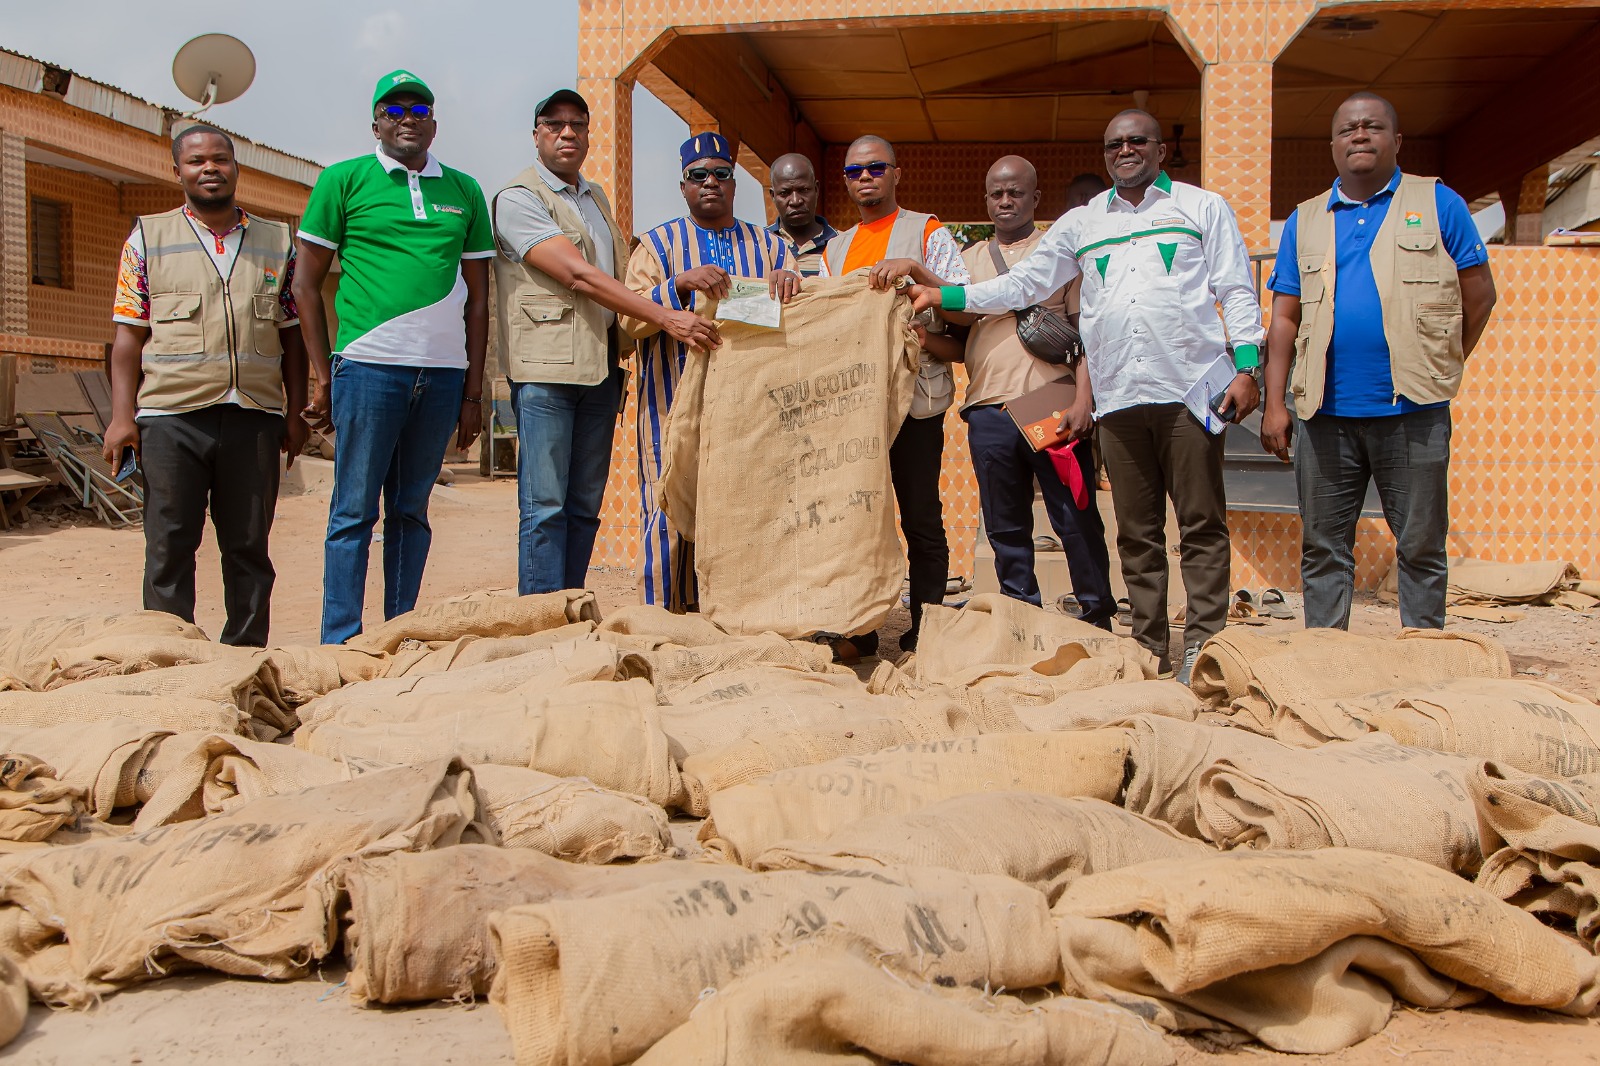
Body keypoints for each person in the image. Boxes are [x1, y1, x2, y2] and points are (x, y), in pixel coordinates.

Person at [912, 110, 1265, 682]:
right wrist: (944, 295)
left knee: (1200, 524)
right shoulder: (1083, 222)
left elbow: (1236, 289)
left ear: (1160, 150)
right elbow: (1024, 284)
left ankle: (1203, 645)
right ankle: (1148, 648)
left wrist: (1247, 365)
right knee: (1137, 533)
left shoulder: (1202, 207)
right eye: (1114, 143)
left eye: (1136, 140)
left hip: (1189, 390)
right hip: (1119, 398)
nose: (1125, 150)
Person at [1262, 92, 1497, 630]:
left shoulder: (1439, 204)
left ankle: (1423, 656)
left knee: (1420, 546)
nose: (1360, 135)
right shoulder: (1306, 218)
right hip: (1324, 414)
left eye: (1372, 126)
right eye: (1348, 129)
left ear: (1397, 140)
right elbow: (1284, 319)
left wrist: (1439, 360)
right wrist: (1275, 404)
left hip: (1413, 413)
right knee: (1324, 547)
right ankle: (1328, 658)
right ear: (1333, 145)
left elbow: (1479, 295)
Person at [292, 70, 495, 644]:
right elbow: (304, 286)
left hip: (443, 375)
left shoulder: (464, 190)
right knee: (354, 510)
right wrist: (324, 375)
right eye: (395, 109)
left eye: (420, 109)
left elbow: (480, 302)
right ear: (376, 122)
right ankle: (340, 641)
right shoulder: (342, 180)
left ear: (434, 123)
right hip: (368, 367)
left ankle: (400, 634)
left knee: (411, 510)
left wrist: (473, 394)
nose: (408, 118)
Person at [493, 89, 720, 596]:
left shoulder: (593, 197)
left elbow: (621, 273)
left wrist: (673, 285)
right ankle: (542, 618)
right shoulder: (519, 198)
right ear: (536, 135)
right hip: (546, 373)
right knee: (545, 507)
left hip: (599, 369)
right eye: (554, 124)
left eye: (578, 124)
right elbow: (578, 275)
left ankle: (568, 607)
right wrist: (666, 315)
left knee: (582, 507)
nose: (567, 133)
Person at [102, 124, 306, 647]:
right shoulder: (147, 239)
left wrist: (295, 413)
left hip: (253, 417)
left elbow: (293, 336)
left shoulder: (278, 242)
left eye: (220, 159)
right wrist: (122, 417)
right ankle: (171, 657)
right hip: (170, 420)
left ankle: (245, 657)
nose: (209, 168)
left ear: (236, 168)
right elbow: (127, 339)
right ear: (177, 172)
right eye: (196, 161)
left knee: (248, 548)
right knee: (169, 545)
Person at [620, 133, 800, 610]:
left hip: (751, 413)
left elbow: (801, 317)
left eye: (721, 174)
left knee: (743, 509)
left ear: (735, 184)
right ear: (683, 186)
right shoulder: (656, 246)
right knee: (667, 508)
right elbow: (630, 320)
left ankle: (735, 617)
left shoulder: (771, 248)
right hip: (670, 408)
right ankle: (660, 619)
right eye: (698, 175)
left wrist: (789, 285)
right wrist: (678, 284)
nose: (710, 182)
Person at [825, 134, 971, 655]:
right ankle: (859, 630)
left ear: (896, 174)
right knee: (857, 516)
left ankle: (927, 626)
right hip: (854, 403)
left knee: (920, 513)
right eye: (854, 171)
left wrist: (914, 268)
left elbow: (964, 305)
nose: (865, 177)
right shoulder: (836, 248)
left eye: (875, 168)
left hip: (915, 398)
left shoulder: (927, 231)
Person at [959, 156, 1114, 626]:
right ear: (986, 200)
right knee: (1004, 525)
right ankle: (1020, 617)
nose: (1005, 201)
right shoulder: (967, 261)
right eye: (997, 194)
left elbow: (1086, 333)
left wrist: (1084, 401)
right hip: (987, 408)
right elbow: (954, 333)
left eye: (1016, 193)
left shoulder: (1060, 251)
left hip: (1051, 404)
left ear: (1036, 198)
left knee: (1075, 518)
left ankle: (1097, 614)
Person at [766, 153, 838, 276]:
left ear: (816, 189)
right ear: (773, 196)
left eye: (803, 190)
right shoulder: (759, 244)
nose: (795, 201)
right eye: (784, 193)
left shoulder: (841, 244)